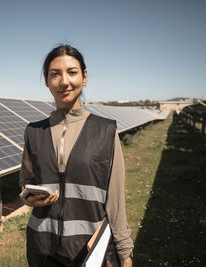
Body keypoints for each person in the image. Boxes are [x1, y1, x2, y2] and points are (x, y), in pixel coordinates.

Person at [19, 44, 134, 267]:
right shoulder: (33, 131)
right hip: (42, 249)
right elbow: (26, 182)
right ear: (46, 80)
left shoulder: (106, 131)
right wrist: (28, 198)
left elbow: (116, 199)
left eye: (72, 72)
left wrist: (124, 253)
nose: (64, 81)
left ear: (84, 77)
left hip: (90, 249)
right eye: (55, 74)